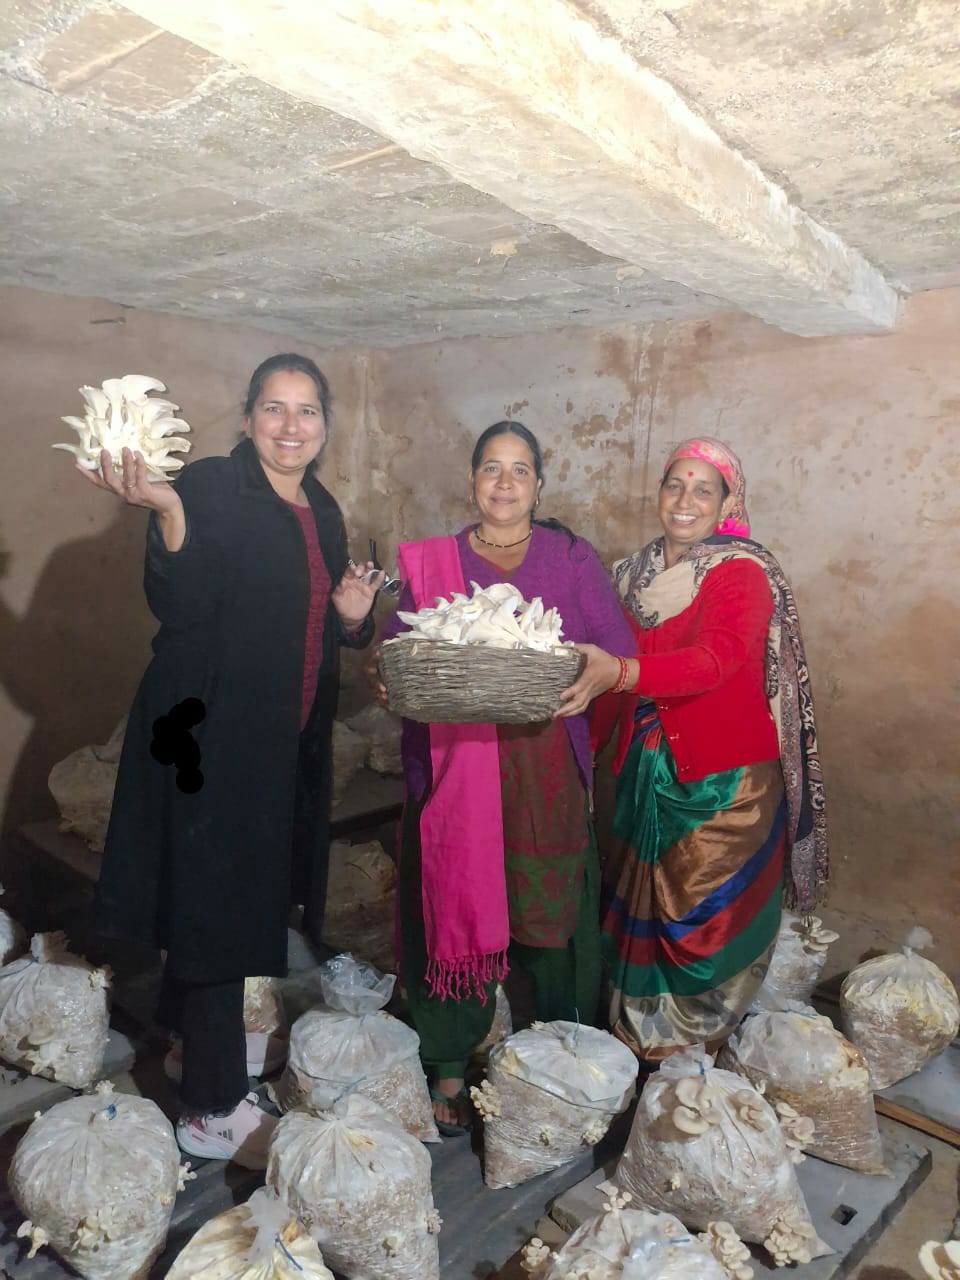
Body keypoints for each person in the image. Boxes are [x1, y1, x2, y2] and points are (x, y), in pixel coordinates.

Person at [82, 353, 382, 1167]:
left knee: (227, 890)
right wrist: (168, 512)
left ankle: (188, 1044)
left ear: (325, 426)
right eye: (274, 408)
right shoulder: (211, 486)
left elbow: (324, 623)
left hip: (279, 737)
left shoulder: (323, 509)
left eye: (307, 411)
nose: (291, 426)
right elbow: (179, 603)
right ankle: (211, 1107)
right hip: (206, 730)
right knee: (217, 903)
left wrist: (354, 617)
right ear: (248, 418)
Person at [372, 421, 634, 1134]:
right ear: (473, 482)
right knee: (450, 908)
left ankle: (561, 1055)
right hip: (453, 767)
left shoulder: (570, 558)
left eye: (520, 470)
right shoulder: (438, 562)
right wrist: (384, 679)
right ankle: (448, 1061)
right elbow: (397, 654)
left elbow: (615, 649)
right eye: (492, 468)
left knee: (551, 907)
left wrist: (594, 676)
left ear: (539, 485)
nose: (506, 483)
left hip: (542, 766)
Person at [558, 437, 828, 1062]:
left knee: (705, 919)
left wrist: (621, 673)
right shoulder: (630, 574)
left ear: (728, 502)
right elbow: (601, 670)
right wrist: (581, 751)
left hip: (724, 779)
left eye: (704, 489)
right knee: (639, 911)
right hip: (642, 772)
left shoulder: (743, 571)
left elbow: (716, 660)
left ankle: (691, 1053)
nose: (685, 500)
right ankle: (636, 1043)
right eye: (674, 484)